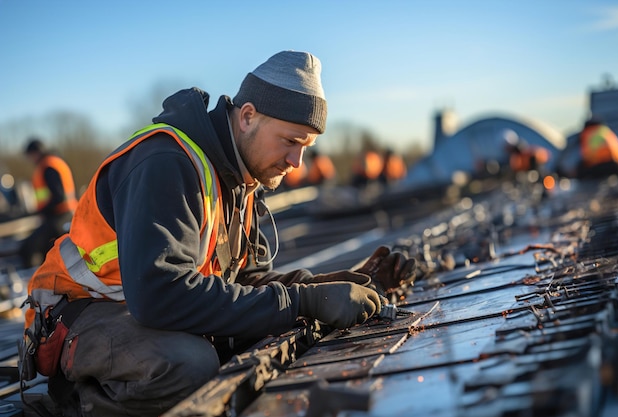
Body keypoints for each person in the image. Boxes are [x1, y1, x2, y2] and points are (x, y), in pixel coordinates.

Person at [21, 51, 419, 416]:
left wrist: (333, 287)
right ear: (247, 116)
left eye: (307, 147)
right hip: (76, 317)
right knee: (188, 364)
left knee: (259, 328)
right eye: (291, 142)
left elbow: (246, 284)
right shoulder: (167, 162)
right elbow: (160, 297)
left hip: (137, 311)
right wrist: (301, 302)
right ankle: (72, 406)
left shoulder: (238, 182)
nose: (297, 162)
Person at [18, 138, 77, 268]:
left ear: (35, 153)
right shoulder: (54, 163)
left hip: (59, 217)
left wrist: (39, 211)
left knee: (28, 249)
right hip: (65, 215)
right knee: (48, 251)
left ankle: (33, 279)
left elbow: (58, 196)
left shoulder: (48, 167)